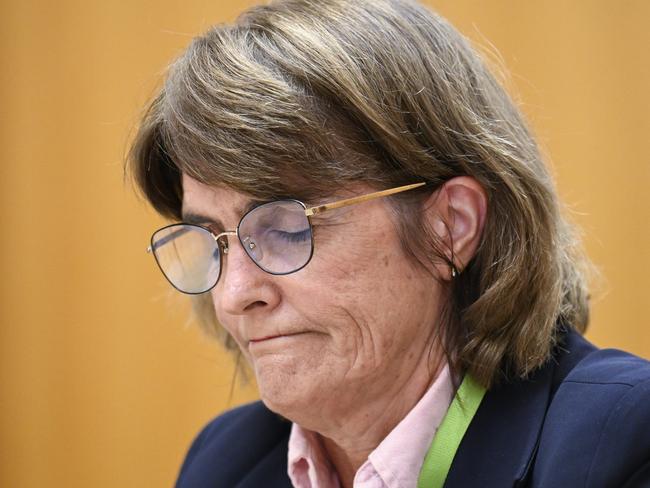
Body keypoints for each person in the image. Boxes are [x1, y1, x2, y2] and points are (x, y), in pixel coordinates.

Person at [127, 0, 650, 486]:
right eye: (214, 241)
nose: (233, 295)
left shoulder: (620, 442)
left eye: (286, 227)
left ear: (451, 226)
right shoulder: (224, 463)